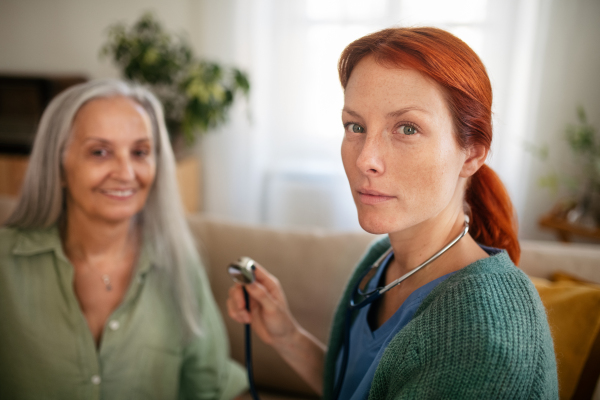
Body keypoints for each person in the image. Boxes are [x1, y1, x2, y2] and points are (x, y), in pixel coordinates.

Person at [227, 27, 558, 399]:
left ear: (472, 153)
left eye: (407, 128)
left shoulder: (484, 338)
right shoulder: (382, 261)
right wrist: (286, 335)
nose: (365, 158)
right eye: (356, 126)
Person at [0, 79, 247, 399]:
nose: (126, 172)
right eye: (100, 152)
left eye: (140, 152)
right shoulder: (5, 263)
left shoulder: (179, 263)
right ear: (58, 166)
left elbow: (212, 387)